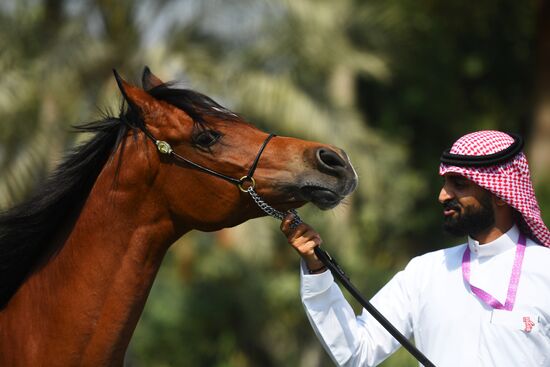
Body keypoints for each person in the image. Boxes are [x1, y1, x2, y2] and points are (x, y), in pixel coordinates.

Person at [280, 130, 550, 367]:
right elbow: (357, 353)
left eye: (459, 184)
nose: (443, 195)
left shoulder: (545, 270)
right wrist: (317, 269)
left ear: (499, 194)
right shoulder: (425, 272)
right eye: (445, 184)